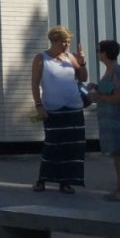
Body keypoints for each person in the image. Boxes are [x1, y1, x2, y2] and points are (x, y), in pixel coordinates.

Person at [30, 25, 89, 193]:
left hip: (74, 108)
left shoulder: (70, 57)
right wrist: (38, 105)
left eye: (68, 42)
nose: (67, 45)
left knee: (72, 146)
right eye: (64, 42)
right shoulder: (41, 58)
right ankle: (42, 180)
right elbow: (34, 84)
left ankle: (66, 181)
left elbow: (83, 77)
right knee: (53, 145)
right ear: (54, 40)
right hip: (53, 109)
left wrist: (82, 61)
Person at [88, 39, 120, 201]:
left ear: (105, 53)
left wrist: (99, 96)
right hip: (108, 121)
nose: (98, 54)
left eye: (99, 50)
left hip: (117, 122)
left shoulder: (117, 72)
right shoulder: (109, 71)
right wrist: (96, 87)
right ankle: (119, 188)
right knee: (116, 155)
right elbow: (109, 91)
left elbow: (119, 96)